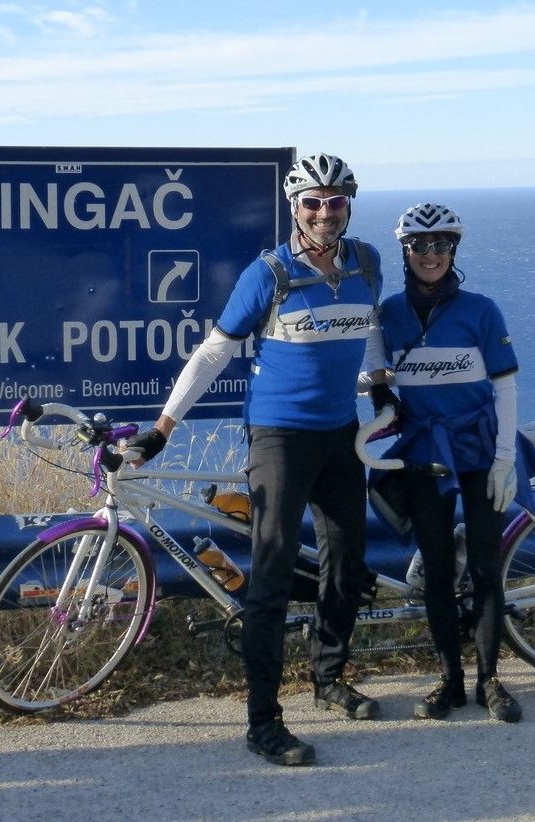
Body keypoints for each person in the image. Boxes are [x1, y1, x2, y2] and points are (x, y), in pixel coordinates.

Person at [125, 153, 396, 766]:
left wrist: (379, 381)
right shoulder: (268, 273)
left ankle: (328, 679)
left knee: (347, 563)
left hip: (339, 433)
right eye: (312, 203)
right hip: (278, 437)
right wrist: (163, 429)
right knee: (271, 578)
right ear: (294, 208)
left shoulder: (367, 262)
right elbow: (214, 353)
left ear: (348, 205)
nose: (325, 213)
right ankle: (263, 721)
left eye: (335, 202)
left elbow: (370, 321)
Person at [374, 203, 524, 723]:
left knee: (484, 569)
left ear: (453, 251)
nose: (430, 255)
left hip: (480, 450)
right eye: (420, 246)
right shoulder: (389, 313)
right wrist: (378, 408)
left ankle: (491, 681)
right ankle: (450, 682)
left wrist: (505, 460)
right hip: (423, 453)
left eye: (441, 246)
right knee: (437, 571)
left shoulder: (481, 311)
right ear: (405, 252)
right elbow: (376, 373)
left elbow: (504, 387)